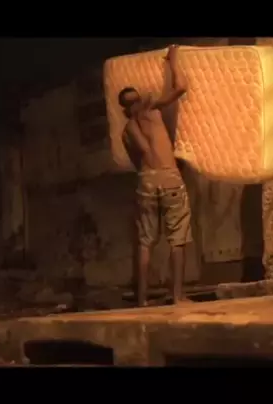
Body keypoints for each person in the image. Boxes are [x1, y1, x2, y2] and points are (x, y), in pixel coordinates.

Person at [119, 44, 192, 307]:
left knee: (144, 242)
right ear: (138, 101)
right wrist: (173, 60)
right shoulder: (151, 111)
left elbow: (136, 160)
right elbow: (181, 87)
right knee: (177, 238)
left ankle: (142, 300)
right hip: (169, 177)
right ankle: (177, 296)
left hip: (146, 180)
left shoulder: (126, 131)